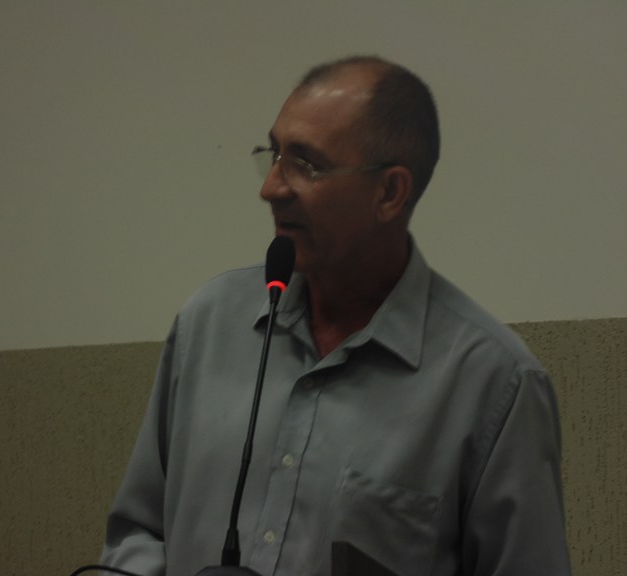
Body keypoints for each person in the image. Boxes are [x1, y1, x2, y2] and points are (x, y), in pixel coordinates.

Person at [99, 55, 571, 576]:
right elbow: (140, 533)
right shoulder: (209, 325)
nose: (271, 187)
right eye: (274, 153)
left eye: (306, 164)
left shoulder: (493, 385)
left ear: (389, 193)